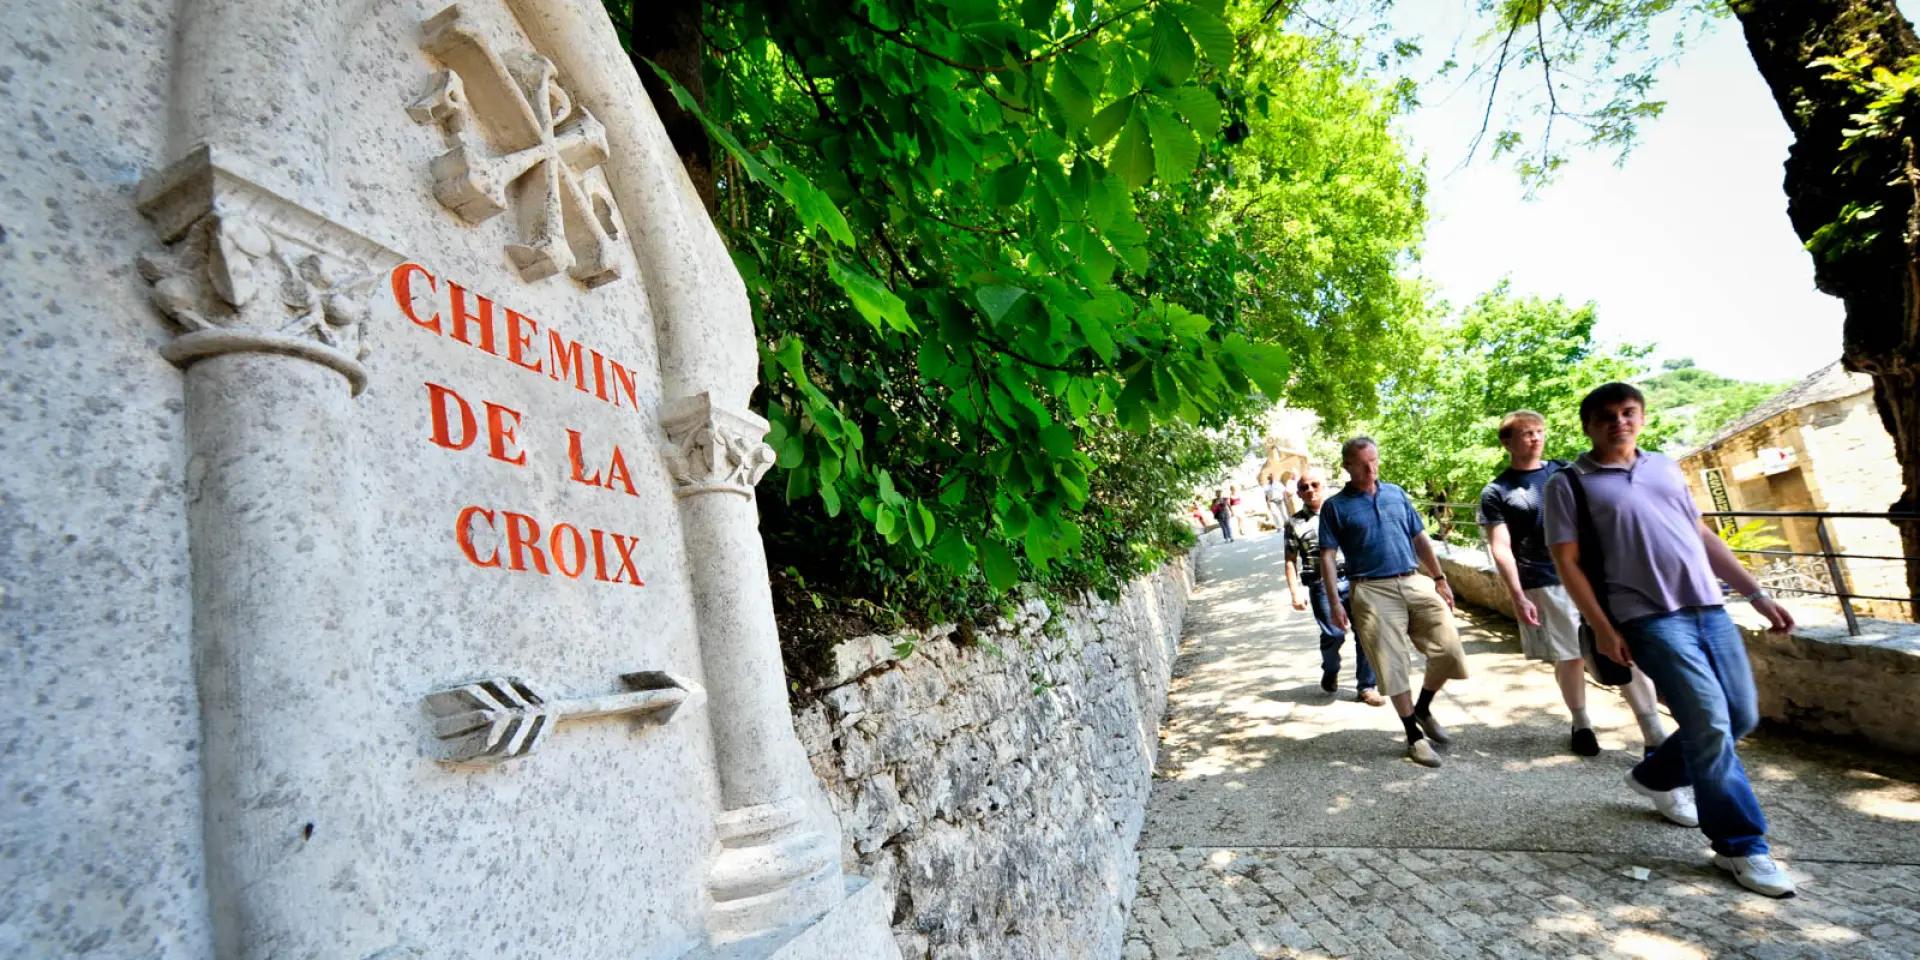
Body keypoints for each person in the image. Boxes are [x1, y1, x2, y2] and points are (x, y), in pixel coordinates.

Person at [1544, 382, 1799, 898]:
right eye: (1606, 416)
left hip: (1708, 605)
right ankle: (1741, 845)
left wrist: (1755, 594)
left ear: (1641, 416)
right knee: (1708, 723)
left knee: (1741, 715)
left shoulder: (1663, 466)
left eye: (1628, 411)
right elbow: (1566, 562)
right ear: (1588, 426)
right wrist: (1602, 625)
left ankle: (1659, 775)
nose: (1619, 421)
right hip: (1646, 616)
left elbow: (1703, 535)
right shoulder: (1569, 484)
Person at [1478, 410, 1669, 757]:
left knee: (1623, 650)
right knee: (1571, 656)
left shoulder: (1567, 472)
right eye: (1526, 433)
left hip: (1594, 575)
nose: (1536, 438)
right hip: (1544, 578)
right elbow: (1500, 546)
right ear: (1507, 442)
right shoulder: (1497, 490)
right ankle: (1581, 723)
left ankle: (1653, 732)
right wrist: (1517, 594)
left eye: (1539, 431)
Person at [1320, 438, 1470, 768]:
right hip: (1371, 590)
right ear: (1347, 466)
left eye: (1374, 461)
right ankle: (1414, 736)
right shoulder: (1335, 506)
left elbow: (1420, 537)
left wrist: (1440, 578)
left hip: (1412, 579)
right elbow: (1328, 556)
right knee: (1392, 665)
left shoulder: (1396, 493)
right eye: (1362, 464)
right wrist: (1334, 601)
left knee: (1448, 650)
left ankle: (1424, 707)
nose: (1370, 468)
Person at [1285, 468, 1385, 706]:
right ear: (1298, 493)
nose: (1310, 490)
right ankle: (1331, 668)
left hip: (1354, 580)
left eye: (1314, 485)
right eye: (1304, 487)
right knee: (1334, 633)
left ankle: (1366, 686)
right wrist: (1294, 592)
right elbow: (1290, 559)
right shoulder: (1295, 523)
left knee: (1366, 632)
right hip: (1320, 584)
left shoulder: (1342, 511)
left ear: (1324, 487)